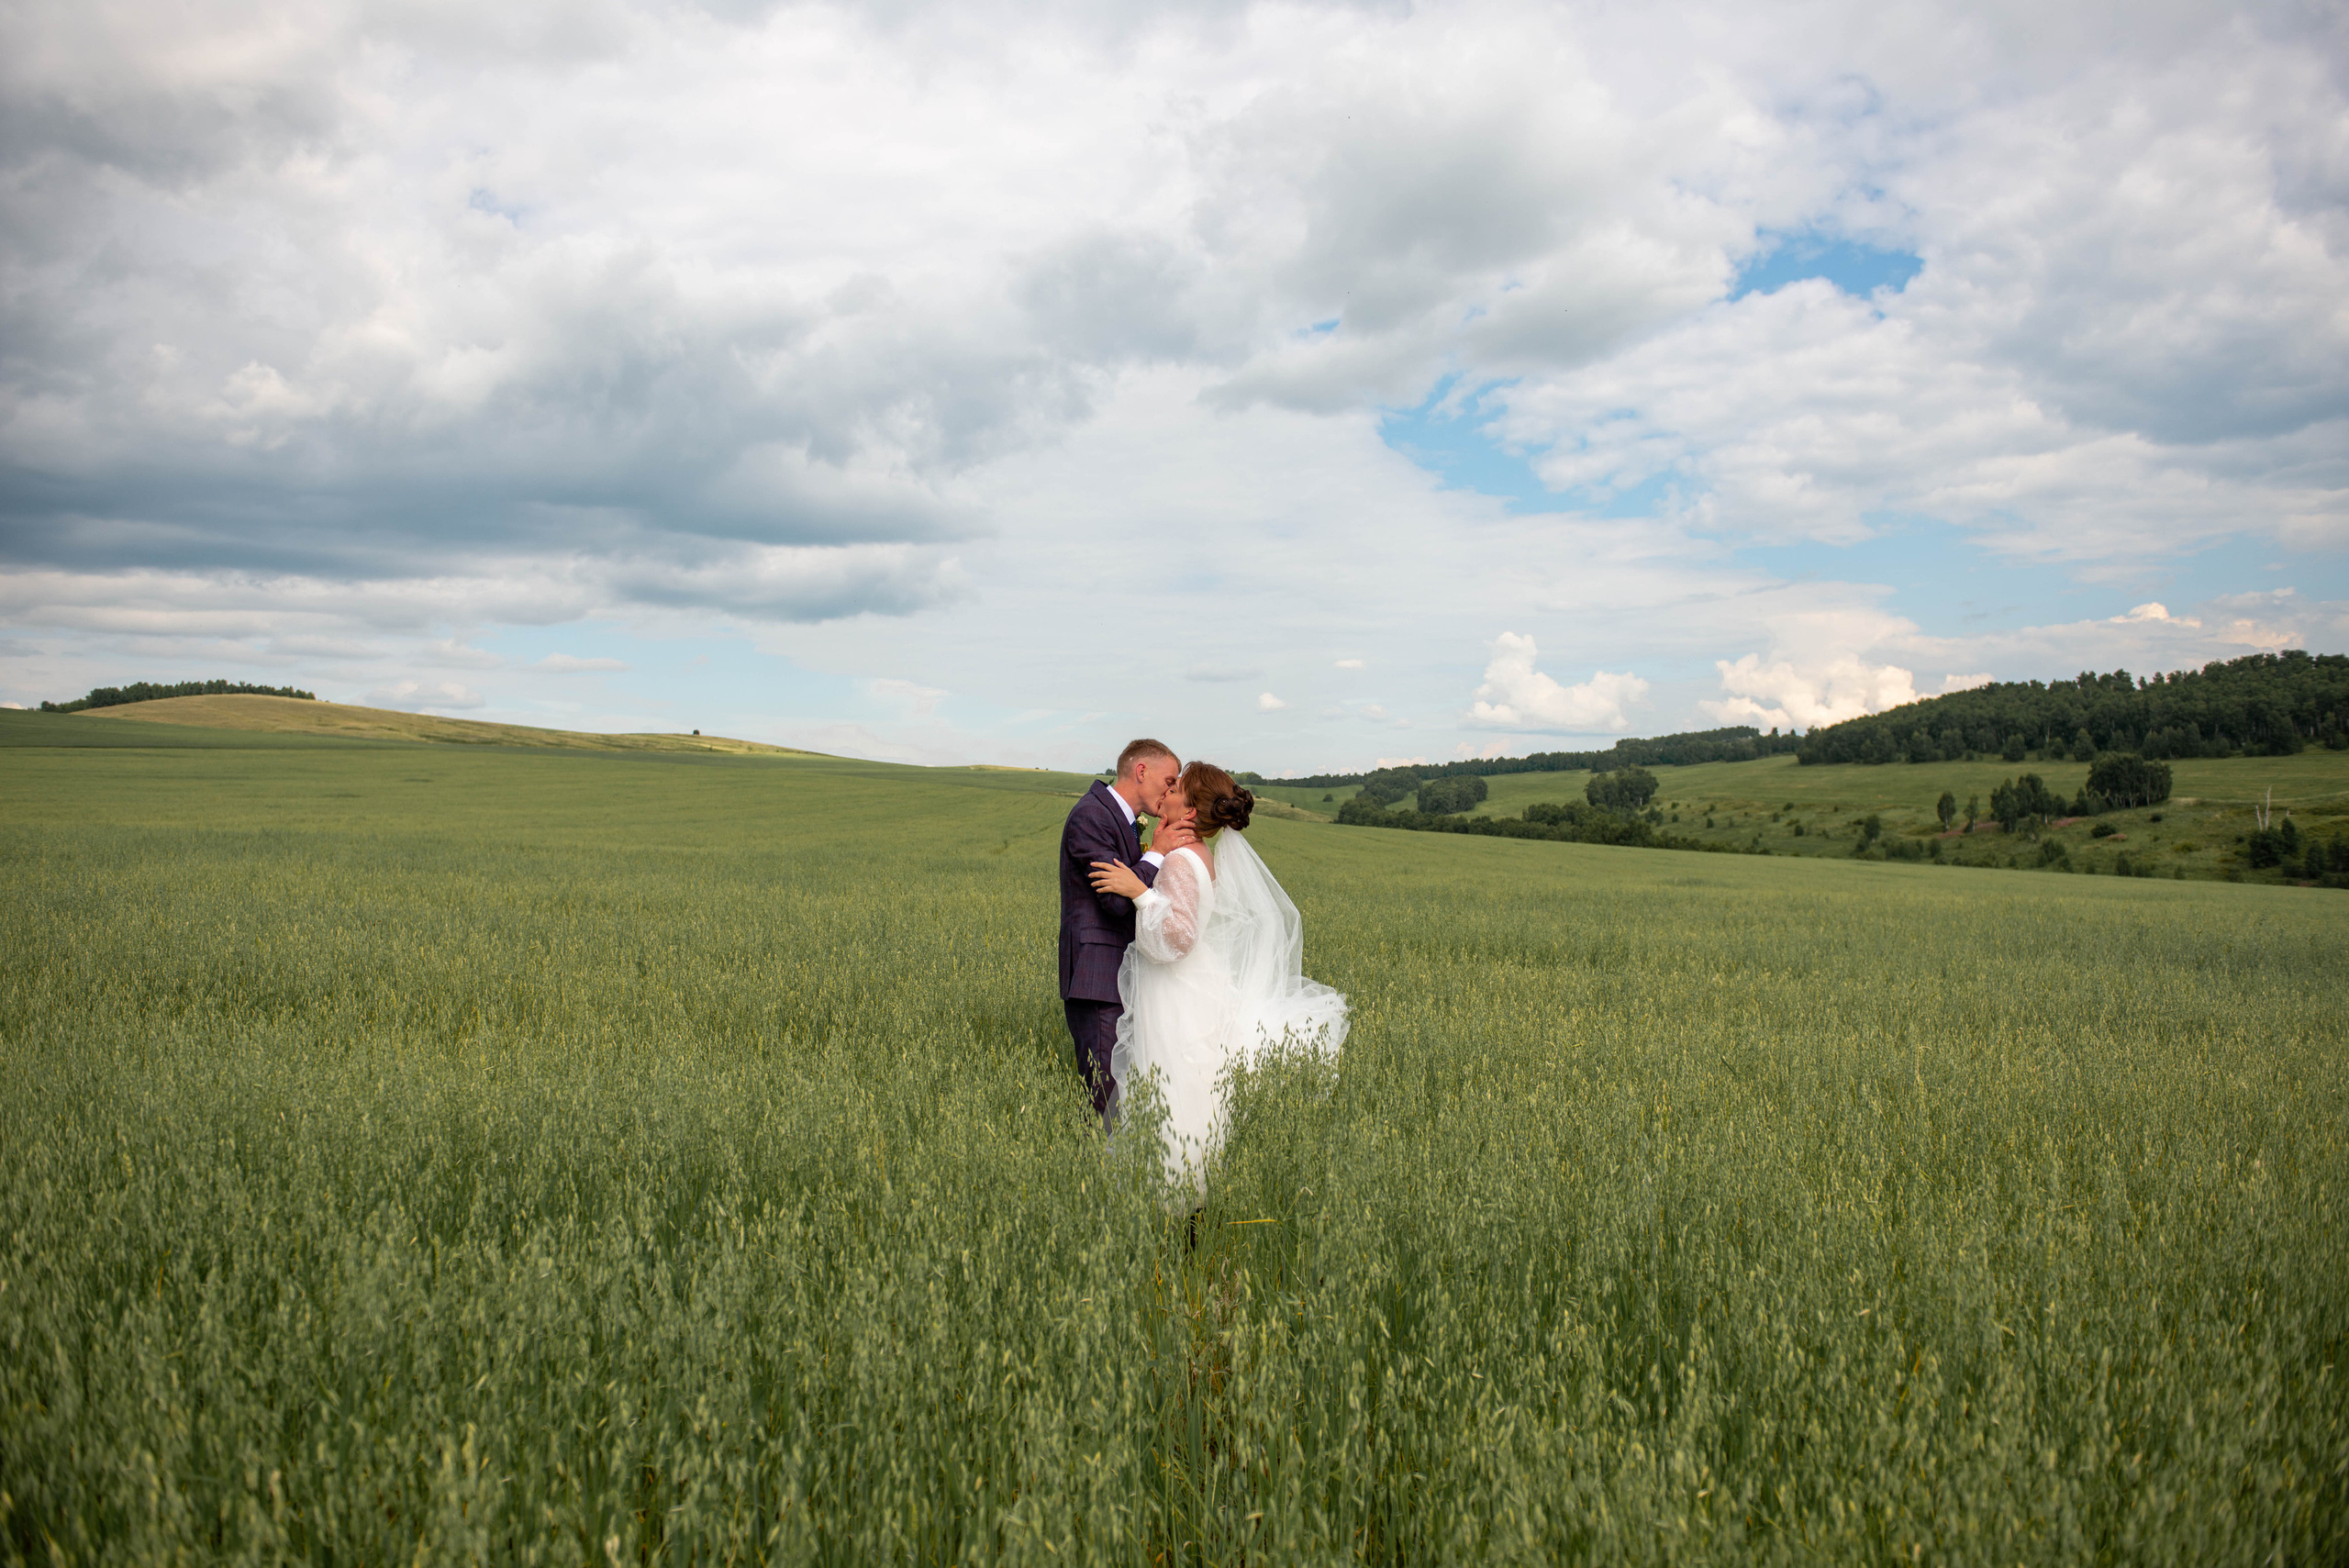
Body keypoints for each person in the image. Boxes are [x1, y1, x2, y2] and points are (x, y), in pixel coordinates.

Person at [1087, 761, 1348, 1198]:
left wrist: (1139, 892)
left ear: (1188, 810)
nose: (1166, 792)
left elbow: (1177, 940)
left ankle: (1175, 1199)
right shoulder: (1194, 854)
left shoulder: (1183, 861)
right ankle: (1181, 1198)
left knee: (1174, 1092)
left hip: (1176, 994)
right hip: (1186, 987)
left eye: (1176, 788)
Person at [1059, 739, 1196, 1129]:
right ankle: (1096, 1175)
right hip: (1097, 977)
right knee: (1105, 1099)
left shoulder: (1116, 818)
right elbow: (1117, 903)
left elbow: (1128, 888)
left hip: (1115, 974)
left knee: (1117, 1092)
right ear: (1141, 772)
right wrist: (1157, 853)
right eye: (1168, 782)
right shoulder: (1092, 817)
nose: (1170, 792)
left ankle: (1111, 1175)